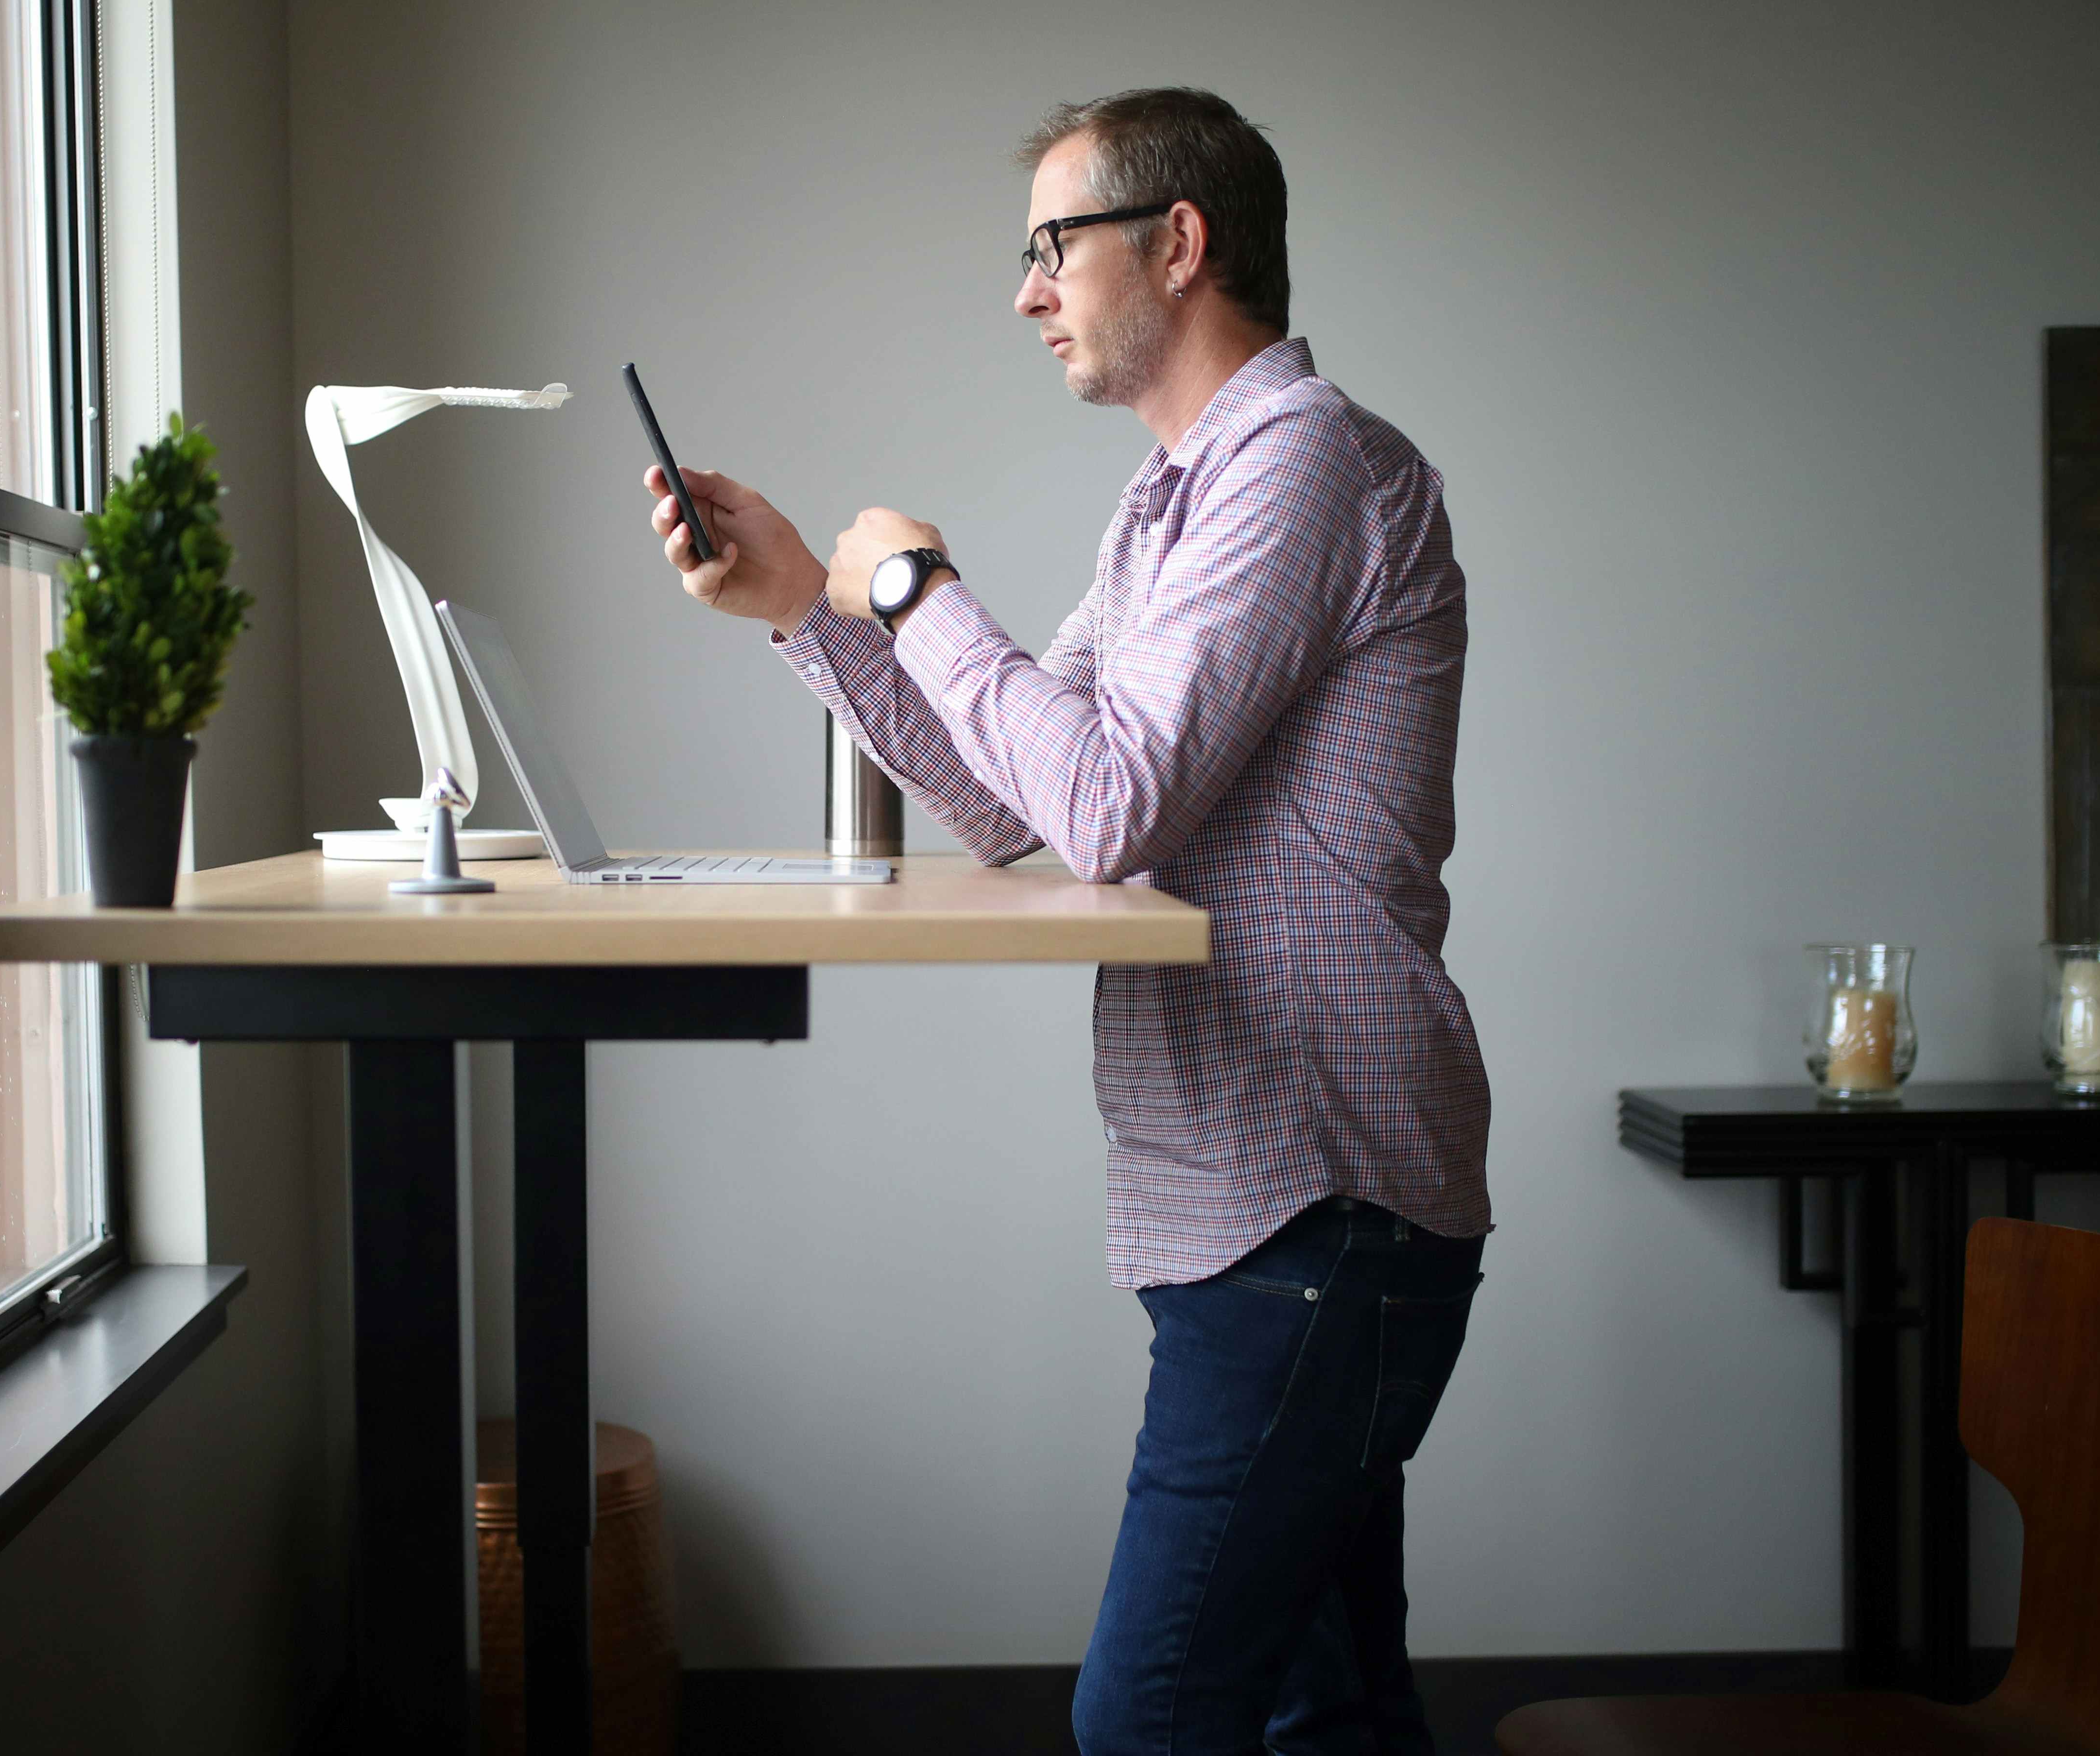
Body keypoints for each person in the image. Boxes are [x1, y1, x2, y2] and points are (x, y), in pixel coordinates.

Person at [633, 87, 1491, 1756]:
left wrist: (917, 592)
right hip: (1254, 1198)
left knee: (1149, 1719)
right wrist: (813, 600)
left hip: (1319, 1201)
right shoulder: (1168, 503)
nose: (1026, 293)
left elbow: (1107, 804)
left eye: (1052, 247)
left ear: (1177, 244)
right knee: (1320, 1709)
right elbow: (1021, 803)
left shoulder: (1300, 464)